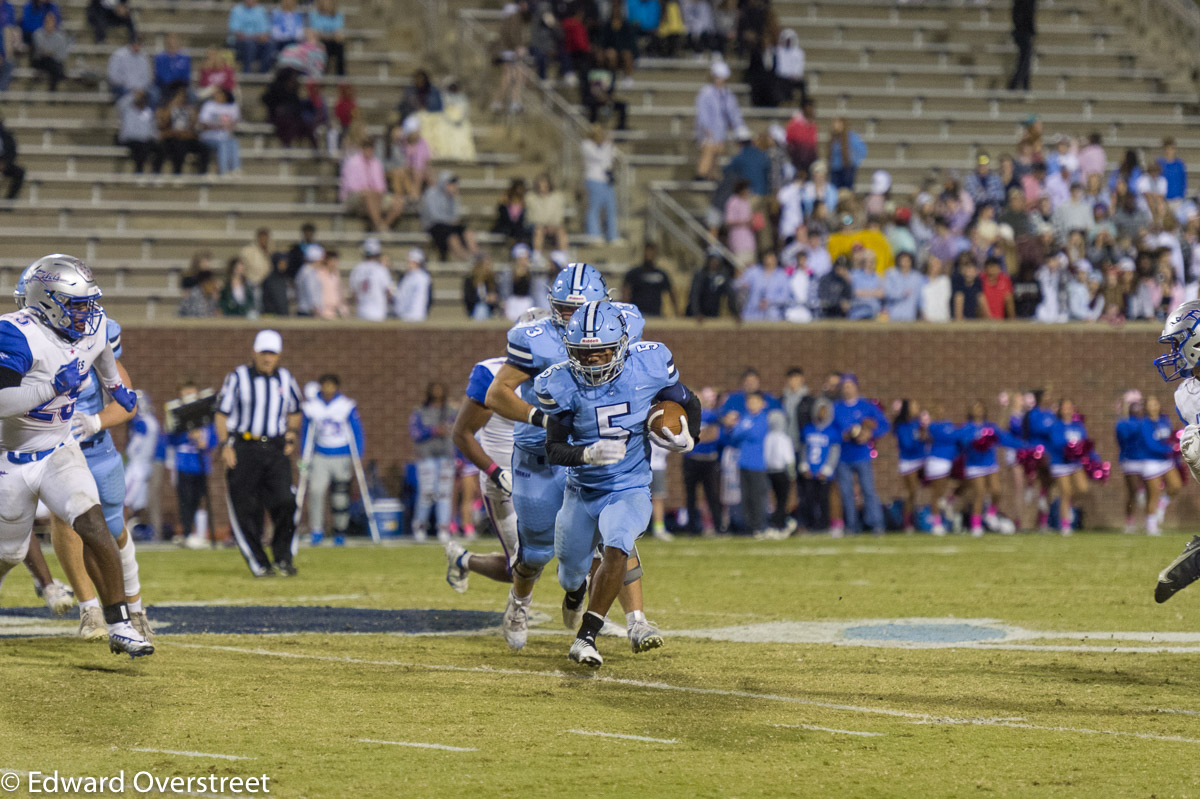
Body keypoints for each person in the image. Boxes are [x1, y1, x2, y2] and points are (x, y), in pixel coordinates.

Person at [487, 265, 658, 655]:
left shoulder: (624, 324)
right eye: (562, 309)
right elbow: (498, 394)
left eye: (578, 309)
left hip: (600, 457)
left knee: (618, 536)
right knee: (534, 552)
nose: (569, 319)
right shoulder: (534, 338)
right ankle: (520, 600)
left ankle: (636, 620)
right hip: (543, 454)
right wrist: (542, 418)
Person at [0, 255, 151, 657]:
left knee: (91, 517)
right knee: (9, 553)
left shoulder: (94, 324)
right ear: (48, 300)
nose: (88, 312)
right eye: (77, 304)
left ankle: (120, 623)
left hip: (59, 448)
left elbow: (102, 357)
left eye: (88, 302)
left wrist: (116, 387)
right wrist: (49, 389)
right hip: (10, 458)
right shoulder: (15, 333)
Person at [537, 299, 700, 668]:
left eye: (603, 352)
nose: (593, 361)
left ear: (621, 345)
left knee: (617, 545)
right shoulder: (560, 383)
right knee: (569, 572)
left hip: (629, 486)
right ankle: (576, 591)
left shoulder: (649, 365)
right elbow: (553, 449)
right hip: (581, 491)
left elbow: (688, 400)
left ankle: (586, 637)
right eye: (584, 353)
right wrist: (586, 455)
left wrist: (691, 438)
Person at [215, 329, 303, 577]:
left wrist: (292, 433)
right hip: (245, 446)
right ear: (254, 353)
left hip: (275, 448)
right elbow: (222, 413)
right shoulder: (238, 377)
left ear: (279, 355)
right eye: (264, 352)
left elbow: (296, 409)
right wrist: (225, 445)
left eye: (272, 353)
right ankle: (260, 563)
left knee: (286, 501)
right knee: (246, 508)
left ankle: (283, 557)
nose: (267, 358)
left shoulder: (285, 379)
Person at [444, 352, 525, 592]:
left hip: (548, 479)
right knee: (522, 566)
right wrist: (496, 472)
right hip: (506, 480)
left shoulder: (563, 372)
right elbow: (462, 433)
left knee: (581, 555)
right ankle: (464, 560)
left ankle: (593, 617)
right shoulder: (493, 374)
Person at [299, 374, 362, 547]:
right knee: (316, 491)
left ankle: (340, 531)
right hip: (320, 455)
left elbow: (356, 430)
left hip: (341, 454)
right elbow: (305, 433)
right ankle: (317, 530)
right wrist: (303, 457)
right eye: (325, 386)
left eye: (331, 386)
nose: (328, 389)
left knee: (340, 496)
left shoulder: (346, 405)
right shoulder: (312, 407)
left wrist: (357, 454)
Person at [832, 375, 889, 536]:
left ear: (856, 387)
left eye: (850, 385)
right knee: (846, 492)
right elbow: (830, 430)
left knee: (868, 490)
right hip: (843, 456)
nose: (847, 388)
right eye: (845, 385)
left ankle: (876, 524)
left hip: (862, 455)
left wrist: (869, 433)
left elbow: (884, 425)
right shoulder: (836, 408)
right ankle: (851, 525)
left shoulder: (866, 406)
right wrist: (842, 435)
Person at [165, 380, 217, 548]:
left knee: (200, 498)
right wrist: (186, 435)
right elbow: (170, 438)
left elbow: (213, 437)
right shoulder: (178, 417)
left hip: (200, 463)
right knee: (185, 500)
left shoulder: (205, 417)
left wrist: (204, 443)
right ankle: (187, 533)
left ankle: (201, 533)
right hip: (184, 463)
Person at [409, 382, 456, 543]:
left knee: (444, 493)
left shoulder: (451, 411)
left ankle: (443, 527)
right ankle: (420, 526)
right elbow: (415, 432)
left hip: (446, 455)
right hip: (426, 456)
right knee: (427, 493)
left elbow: (459, 430)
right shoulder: (420, 411)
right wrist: (434, 430)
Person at [722, 391, 769, 537]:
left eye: (755, 401)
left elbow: (755, 434)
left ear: (761, 403)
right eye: (749, 401)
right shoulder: (746, 418)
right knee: (746, 497)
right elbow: (734, 436)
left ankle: (760, 525)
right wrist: (740, 429)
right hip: (743, 463)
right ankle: (749, 526)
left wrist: (741, 429)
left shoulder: (763, 418)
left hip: (757, 464)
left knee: (757, 496)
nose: (751, 404)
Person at [1139, 394, 1180, 537]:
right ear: (1146, 408)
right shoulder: (1144, 423)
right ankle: (1151, 525)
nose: (1153, 407)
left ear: (1158, 405)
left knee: (1176, 485)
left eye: (1155, 403)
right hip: (1151, 461)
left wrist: (1176, 444)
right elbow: (1151, 445)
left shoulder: (1165, 420)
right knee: (1154, 494)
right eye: (1149, 404)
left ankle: (1163, 503)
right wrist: (1171, 449)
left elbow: (1170, 438)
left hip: (1166, 460)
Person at [693, 59, 742, 180]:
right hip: (707, 131)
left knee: (716, 155)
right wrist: (706, 128)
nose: (719, 80)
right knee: (710, 150)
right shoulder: (706, 92)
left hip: (720, 131)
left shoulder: (727, 94)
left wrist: (737, 126)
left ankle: (712, 176)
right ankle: (701, 175)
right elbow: (702, 112)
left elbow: (733, 112)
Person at [682, 386, 721, 535]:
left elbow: (713, 435)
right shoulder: (689, 415)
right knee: (690, 496)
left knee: (712, 495)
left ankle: (718, 527)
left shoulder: (714, 415)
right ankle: (692, 528)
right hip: (691, 459)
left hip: (708, 460)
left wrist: (697, 436)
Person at [341, 139, 399, 232]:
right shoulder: (352, 162)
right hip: (353, 196)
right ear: (362, 149)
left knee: (398, 201)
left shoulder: (377, 163)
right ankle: (379, 225)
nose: (369, 151)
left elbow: (381, 187)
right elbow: (351, 186)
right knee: (368, 196)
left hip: (374, 195)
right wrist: (370, 192)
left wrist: (375, 192)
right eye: (366, 149)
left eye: (370, 149)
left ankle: (382, 225)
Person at [799, 398, 838, 533]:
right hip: (810, 470)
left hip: (823, 471)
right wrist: (804, 465)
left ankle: (824, 524)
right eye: (820, 411)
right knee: (808, 498)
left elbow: (834, 451)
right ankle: (810, 523)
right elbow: (804, 448)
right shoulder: (808, 429)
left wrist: (827, 469)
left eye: (825, 411)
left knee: (823, 499)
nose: (822, 414)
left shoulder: (832, 431)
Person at [421, 171, 478, 260]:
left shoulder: (454, 197)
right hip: (435, 225)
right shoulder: (431, 193)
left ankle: (476, 255)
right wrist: (450, 221)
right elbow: (434, 216)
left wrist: (454, 198)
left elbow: (456, 216)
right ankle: (466, 259)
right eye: (451, 183)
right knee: (453, 238)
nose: (454, 185)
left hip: (449, 224)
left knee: (468, 233)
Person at [157, 86, 210, 176]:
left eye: (184, 96)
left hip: (186, 136)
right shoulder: (166, 109)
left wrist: (193, 115)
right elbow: (163, 125)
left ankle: (202, 175)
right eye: (180, 95)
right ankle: (177, 173)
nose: (182, 98)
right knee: (179, 146)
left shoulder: (189, 109)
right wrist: (171, 107)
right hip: (172, 137)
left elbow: (194, 127)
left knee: (204, 148)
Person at [582, 124, 619, 243]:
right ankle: (594, 234)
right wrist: (607, 145)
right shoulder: (587, 144)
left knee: (611, 207)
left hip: (606, 180)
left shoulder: (605, 146)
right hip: (594, 179)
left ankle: (613, 236)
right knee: (594, 208)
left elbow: (612, 157)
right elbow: (599, 157)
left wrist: (609, 146)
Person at [623, 243, 676, 317]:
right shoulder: (634, 273)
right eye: (647, 253)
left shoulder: (661, 274)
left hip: (656, 314)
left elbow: (671, 293)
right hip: (638, 314)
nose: (649, 256)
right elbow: (626, 293)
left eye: (652, 253)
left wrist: (677, 312)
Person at [347, 237, 394, 322]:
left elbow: (353, 294)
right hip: (378, 314)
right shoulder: (381, 270)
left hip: (362, 312)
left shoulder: (357, 269)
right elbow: (389, 293)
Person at [198, 86, 242, 176]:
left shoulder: (232, 107)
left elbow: (234, 124)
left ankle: (235, 169)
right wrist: (219, 125)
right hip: (209, 136)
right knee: (223, 142)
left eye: (219, 94)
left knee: (233, 142)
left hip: (225, 135)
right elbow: (203, 123)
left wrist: (224, 127)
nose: (216, 96)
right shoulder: (209, 105)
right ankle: (224, 170)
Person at [116, 89, 162, 175]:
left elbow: (152, 128)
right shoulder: (127, 110)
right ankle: (138, 171)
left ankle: (156, 173)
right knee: (141, 147)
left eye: (143, 98)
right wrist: (134, 95)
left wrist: (156, 136)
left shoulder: (148, 112)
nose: (141, 99)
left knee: (160, 148)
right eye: (140, 98)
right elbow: (120, 104)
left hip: (145, 140)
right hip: (129, 140)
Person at [687, 250, 737, 318]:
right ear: (708, 260)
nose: (714, 262)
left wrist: (734, 313)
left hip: (713, 312)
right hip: (698, 313)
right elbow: (694, 295)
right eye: (712, 259)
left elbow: (730, 293)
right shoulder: (700, 275)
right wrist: (696, 312)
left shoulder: (723, 275)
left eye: (716, 260)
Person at [528, 173, 568, 254]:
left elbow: (559, 215)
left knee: (561, 231)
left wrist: (553, 225)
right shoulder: (531, 198)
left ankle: (564, 254)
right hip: (538, 226)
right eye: (540, 185)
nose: (542, 187)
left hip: (553, 225)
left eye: (545, 185)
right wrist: (543, 225)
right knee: (539, 230)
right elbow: (531, 216)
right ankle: (537, 255)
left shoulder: (557, 197)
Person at [228, 0, 272, 74]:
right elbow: (238, 34)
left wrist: (260, 37)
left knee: (269, 44)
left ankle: (263, 73)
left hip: (256, 42)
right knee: (249, 44)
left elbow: (265, 32)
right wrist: (256, 37)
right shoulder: (236, 10)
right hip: (239, 43)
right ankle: (247, 72)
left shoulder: (261, 11)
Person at [106, 33, 151, 100]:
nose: (137, 46)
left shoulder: (143, 57)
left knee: (153, 93)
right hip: (122, 86)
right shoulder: (119, 55)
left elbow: (146, 77)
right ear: (131, 43)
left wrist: (140, 89)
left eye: (139, 44)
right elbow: (113, 76)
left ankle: (147, 110)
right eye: (135, 43)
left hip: (139, 88)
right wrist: (132, 88)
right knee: (128, 94)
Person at [30, 11, 67, 91]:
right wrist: (52, 53)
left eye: (51, 22)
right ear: (44, 22)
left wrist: (50, 53)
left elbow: (62, 55)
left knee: (54, 65)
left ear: (55, 23)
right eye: (47, 22)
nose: (49, 24)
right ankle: (57, 82)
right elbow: (40, 51)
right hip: (40, 61)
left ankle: (52, 90)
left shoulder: (61, 37)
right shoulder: (37, 34)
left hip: (54, 62)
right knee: (55, 67)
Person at [827, 117, 865, 191]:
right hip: (835, 169)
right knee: (835, 190)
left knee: (847, 190)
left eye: (838, 123)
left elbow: (862, 150)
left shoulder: (852, 137)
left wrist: (855, 162)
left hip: (847, 169)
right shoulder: (833, 138)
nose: (835, 125)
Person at [394, 247, 431, 321]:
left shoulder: (422, 277)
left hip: (414, 316)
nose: (408, 263)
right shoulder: (408, 276)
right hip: (406, 316)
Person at [154, 33, 191, 97]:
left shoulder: (184, 58)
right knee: (156, 94)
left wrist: (180, 84)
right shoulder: (160, 58)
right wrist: (172, 82)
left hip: (180, 86)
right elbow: (160, 74)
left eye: (175, 40)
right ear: (166, 42)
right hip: (165, 86)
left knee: (192, 95)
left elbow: (186, 75)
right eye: (171, 40)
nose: (173, 42)